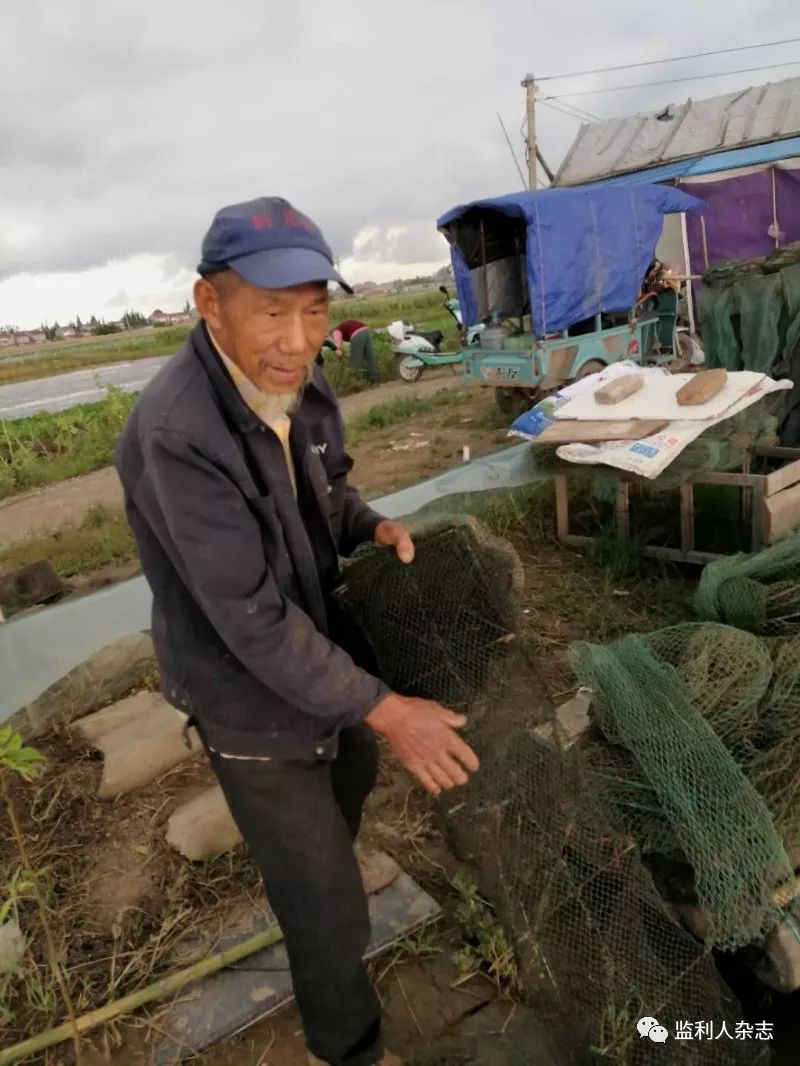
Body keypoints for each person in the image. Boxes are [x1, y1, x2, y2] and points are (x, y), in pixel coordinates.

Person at [114, 196, 479, 1066]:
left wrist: (370, 526)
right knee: (324, 912)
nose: (297, 337)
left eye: (313, 309)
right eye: (272, 311)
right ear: (212, 304)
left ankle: (323, 859)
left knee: (347, 782)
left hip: (327, 662)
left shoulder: (301, 385)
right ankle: (344, 1048)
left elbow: (330, 493)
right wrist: (392, 708)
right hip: (246, 697)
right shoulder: (177, 434)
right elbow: (251, 620)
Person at [332, 317, 379, 384]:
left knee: (356, 361)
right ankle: (375, 380)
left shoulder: (336, 331)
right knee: (370, 358)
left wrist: (337, 354)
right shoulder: (344, 326)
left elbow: (338, 346)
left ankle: (358, 382)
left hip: (357, 334)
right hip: (366, 331)